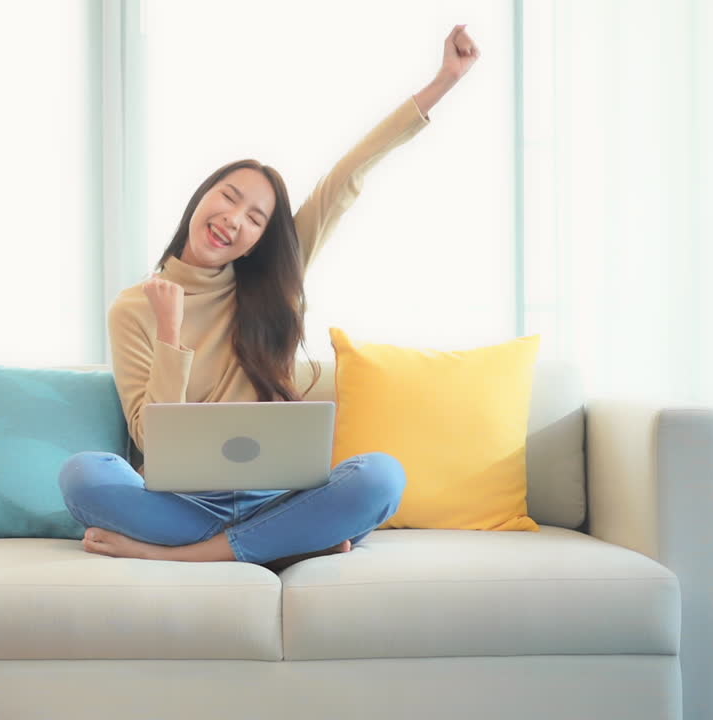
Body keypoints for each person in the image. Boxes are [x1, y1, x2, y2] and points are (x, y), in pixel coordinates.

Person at [59, 25, 480, 571]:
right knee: (83, 475)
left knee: (381, 477)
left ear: (261, 239)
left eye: (255, 218)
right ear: (201, 197)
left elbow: (346, 178)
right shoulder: (133, 309)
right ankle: (283, 544)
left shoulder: (272, 282)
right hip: (183, 505)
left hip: (277, 498)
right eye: (229, 197)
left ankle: (185, 555)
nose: (234, 219)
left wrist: (444, 81)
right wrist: (169, 333)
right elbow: (151, 442)